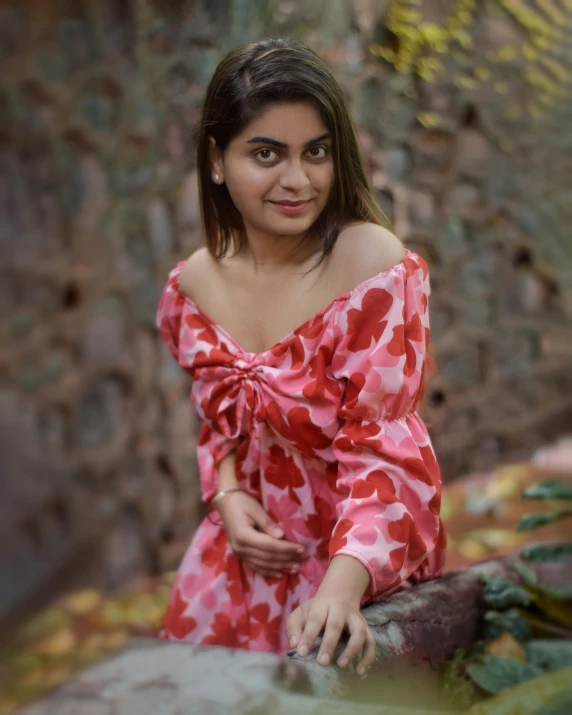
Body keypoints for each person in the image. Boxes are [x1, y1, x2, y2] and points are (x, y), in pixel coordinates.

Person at [156, 37, 446, 676]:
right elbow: (219, 425)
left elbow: (387, 454)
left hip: (353, 568)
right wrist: (227, 496)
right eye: (266, 153)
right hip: (236, 567)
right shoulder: (191, 288)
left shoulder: (371, 269)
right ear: (216, 161)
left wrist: (341, 595)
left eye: (316, 152)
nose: (298, 180)